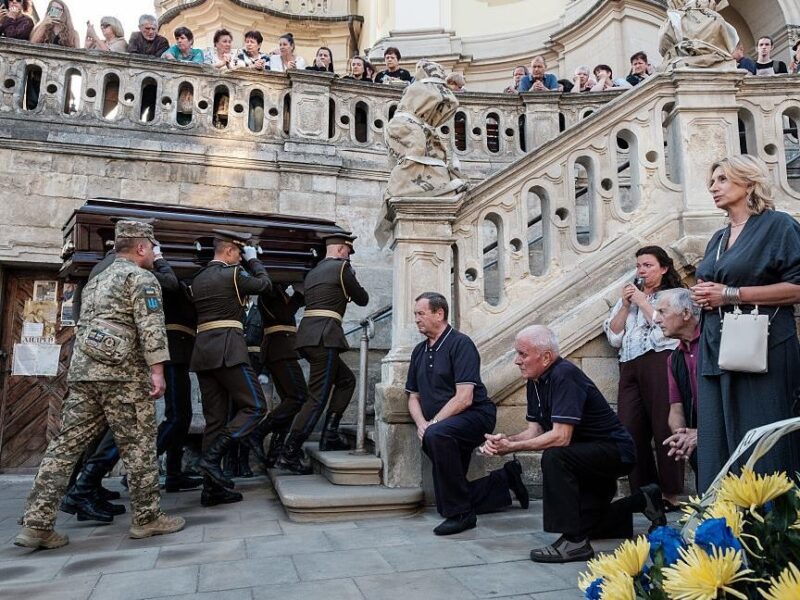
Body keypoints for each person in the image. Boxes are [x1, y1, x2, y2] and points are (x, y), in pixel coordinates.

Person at [14, 221, 185, 550]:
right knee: (139, 449)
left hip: (84, 375)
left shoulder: (97, 279)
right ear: (141, 248)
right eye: (152, 248)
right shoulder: (141, 278)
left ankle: (37, 524)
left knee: (64, 449)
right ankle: (147, 519)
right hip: (123, 377)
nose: (153, 254)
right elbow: (150, 328)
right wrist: (158, 372)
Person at [482, 325, 666, 563]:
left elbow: (561, 437)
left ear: (546, 357)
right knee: (592, 525)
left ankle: (575, 542)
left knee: (555, 456)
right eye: (517, 354)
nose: (517, 361)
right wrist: (507, 441)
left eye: (523, 354)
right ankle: (645, 500)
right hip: (585, 458)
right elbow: (534, 430)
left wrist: (512, 448)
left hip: (615, 452)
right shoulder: (535, 381)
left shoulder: (564, 375)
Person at [59, 243, 201, 522]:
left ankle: (85, 488)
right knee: (135, 429)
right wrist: (160, 259)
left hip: (118, 359)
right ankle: (85, 488)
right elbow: (168, 289)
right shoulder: (133, 272)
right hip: (132, 361)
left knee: (155, 423)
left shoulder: (107, 274)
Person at [690, 154, 800, 491]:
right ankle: (722, 528)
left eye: (722, 179)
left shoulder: (779, 225)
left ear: (748, 182)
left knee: (762, 440)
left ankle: (769, 528)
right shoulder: (718, 239)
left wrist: (731, 294)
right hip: (716, 348)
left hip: (762, 350)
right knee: (717, 441)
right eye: (712, 181)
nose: (713, 187)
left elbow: (797, 287)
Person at [407, 292, 528, 536]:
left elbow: (465, 397)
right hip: (441, 426)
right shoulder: (419, 351)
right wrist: (422, 424)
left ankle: (462, 515)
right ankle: (505, 480)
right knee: (445, 503)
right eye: (415, 315)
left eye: (421, 313)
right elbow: (413, 397)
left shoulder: (460, 344)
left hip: (475, 415)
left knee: (437, 436)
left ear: (439, 314)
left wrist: (433, 424)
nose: (417, 319)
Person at [189, 230, 273, 506]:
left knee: (215, 420)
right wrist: (253, 261)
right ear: (228, 251)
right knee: (256, 406)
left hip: (203, 353)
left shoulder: (197, 279)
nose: (240, 256)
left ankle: (211, 490)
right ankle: (211, 459)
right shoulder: (233, 274)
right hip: (229, 350)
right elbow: (264, 286)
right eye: (238, 252)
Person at [278, 233, 369, 473]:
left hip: (308, 336)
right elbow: (362, 299)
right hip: (324, 337)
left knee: (346, 380)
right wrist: (351, 275)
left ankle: (329, 434)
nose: (349, 256)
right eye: (348, 252)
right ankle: (290, 452)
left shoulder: (314, 272)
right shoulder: (341, 269)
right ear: (340, 249)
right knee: (316, 397)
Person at [604, 246, 683, 510]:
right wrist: (626, 306)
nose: (641, 271)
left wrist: (641, 302)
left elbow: (667, 330)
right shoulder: (630, 298)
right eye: (639, 266)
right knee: (629, 429)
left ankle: (670, 494)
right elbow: (614, 336)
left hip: (660, 362)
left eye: (648, 265)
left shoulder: (672, 296)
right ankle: (645, 492)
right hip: (628, 364)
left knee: (664, 426)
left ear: (664, 268)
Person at [246, 283, 309, 468]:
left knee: (290, 401)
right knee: (298, 397)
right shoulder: (269, 290)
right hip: (280, 350)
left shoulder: (279, 290)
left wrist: (300, 291)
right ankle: (258, 433)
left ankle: (276, 452)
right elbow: (285, 313)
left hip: (283, 350)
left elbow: (297, 303)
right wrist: (298, 292)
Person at [653, 288, 700, 476]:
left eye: (662, 312)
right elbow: (676, 408)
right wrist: (681, 436)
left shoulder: (715, 345)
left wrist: (702, 434)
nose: (656, 319)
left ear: (686, 313)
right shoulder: (674, 359)